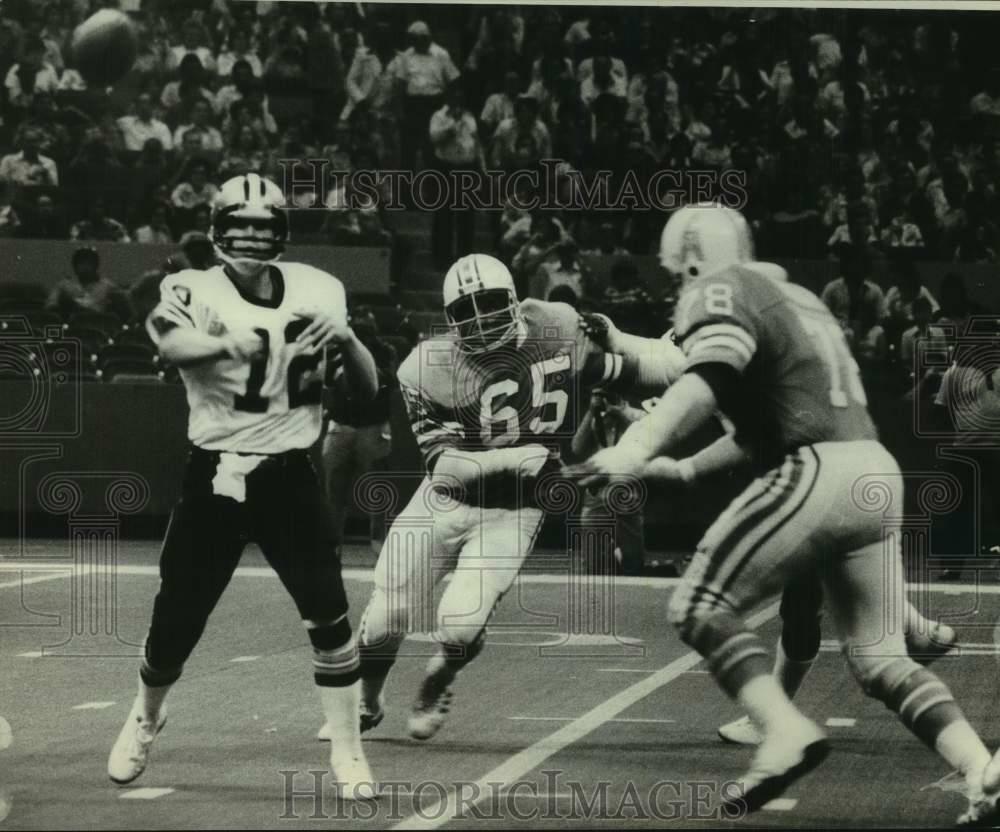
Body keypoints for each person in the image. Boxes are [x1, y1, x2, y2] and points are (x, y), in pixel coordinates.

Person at [571, 203, 1000, 824]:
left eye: (677, 274)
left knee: (697, 605)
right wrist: (682, 466)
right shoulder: (793, 297)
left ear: (693, 262)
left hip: (816, 469)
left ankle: (780, 732)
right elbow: (723, 397)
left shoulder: (722, 290)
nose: (677, 288)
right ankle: (980, 769)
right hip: (873, 470)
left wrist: (634, 446)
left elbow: (699, 381)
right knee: (880, 659)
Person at [106, 174, 380, 799]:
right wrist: (223, 342)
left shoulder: (320, 289)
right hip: (217, 474)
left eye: (262, 226)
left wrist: (349, 339)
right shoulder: (190, 287)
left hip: (290, 475)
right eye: (238, 225)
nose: (250, 238)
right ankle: (146, 715)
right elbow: (173, 342)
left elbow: (365, 390)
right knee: (176, 620)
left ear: (282, 232)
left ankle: (348, 751)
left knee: (330, 616)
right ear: (216, 227)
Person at [348, 253, 684, 742]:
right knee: (385, 617)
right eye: (467, 311)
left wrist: (666, 354)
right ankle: (368, 700)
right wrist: (517, 457)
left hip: (514, 510)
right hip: (443, 500)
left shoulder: (556, 326)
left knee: (460, 628)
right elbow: (445, 472)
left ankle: (437, 681)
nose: (481, 319)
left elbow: (640, 370)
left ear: (514, 302)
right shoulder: (425, 366)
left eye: (489, 304)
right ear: (448, 320)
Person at [46, 246, 132, 321]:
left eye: (89, 263)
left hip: (99, 324)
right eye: (81, 263)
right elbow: (50, 307)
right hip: (71, 326)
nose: (85, 267)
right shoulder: (63, 285)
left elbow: (127, 312)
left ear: (95, 265)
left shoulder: (108, 286)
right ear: (75, 266)